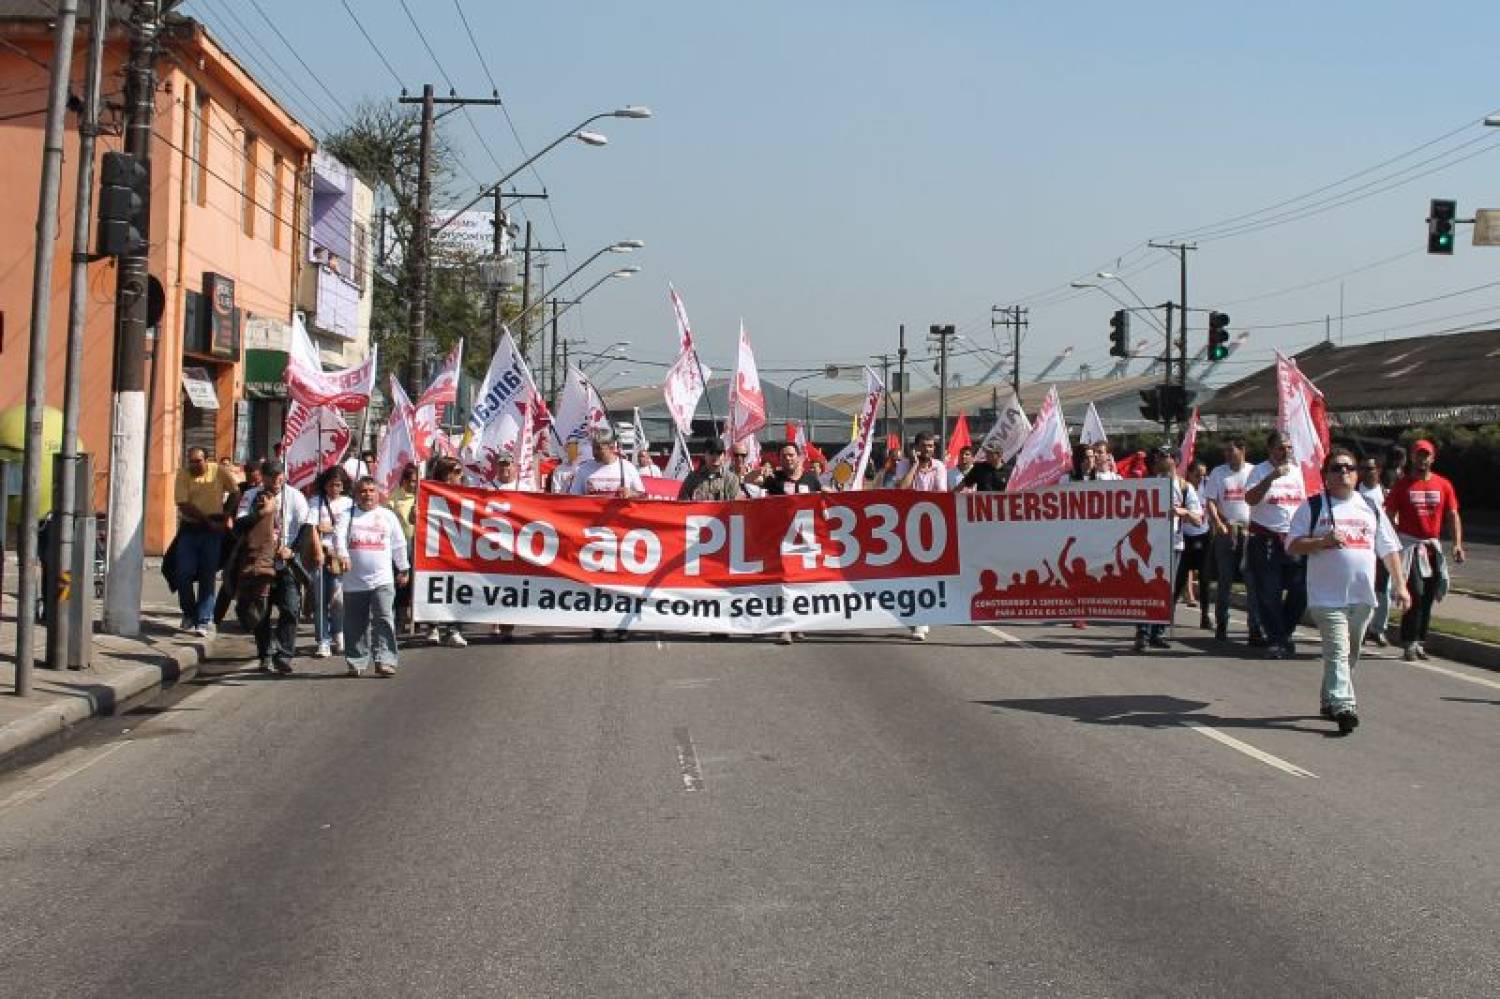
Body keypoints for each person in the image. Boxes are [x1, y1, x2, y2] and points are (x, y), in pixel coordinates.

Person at [1286, 449, 1410, 734]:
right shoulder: (1313, 506)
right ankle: (1345, 705)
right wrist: (1321, 542)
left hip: (1362, 596)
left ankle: (1329, 699)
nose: (1343, 473)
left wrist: (1400, 585)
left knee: (1349, 652)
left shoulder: (1370, 506)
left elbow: (1389, 549)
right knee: (1338, 649)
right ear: (1326, 475)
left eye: (1349, 468)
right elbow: (1291, 545)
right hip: (1326, 597)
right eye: (1336, 468)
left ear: (1357, 474)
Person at [1384, 438, 1465, 662]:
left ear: (1432, 458)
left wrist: (1457, 544)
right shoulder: (1403, 485)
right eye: (1419, 455)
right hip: (1410, 546)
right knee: (1415, 594)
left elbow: (1452, 515)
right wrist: (1393, 538)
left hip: (1431, 547)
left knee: (1429, 595)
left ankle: (1420, 641)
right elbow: (1389, 513)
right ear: (1412, 457)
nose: (1422, 459)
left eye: (1426, 455)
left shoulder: (1443, 484)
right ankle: (1408, 642)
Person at [237, 460, 310, 674]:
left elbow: (306, 527)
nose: (277, 482)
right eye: (273, 478)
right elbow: (240, 524)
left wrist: (292, 550)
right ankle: (265, 654)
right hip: (261, 562)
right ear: (264, 477)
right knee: (261, 611)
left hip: (285, 562)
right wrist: (262, 512)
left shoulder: (295, 497)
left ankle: (284, 654)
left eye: (281, 478)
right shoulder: (251, 496)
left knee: (290, 607)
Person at [1244, 431, 1308, 659]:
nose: (1286, 452)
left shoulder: (1298, 473)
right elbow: (1250, 499)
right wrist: (1270, 478)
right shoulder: (1258, 471)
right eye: (1281, 448)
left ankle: (1284, 633)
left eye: (1289, 448)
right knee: (1269, 592)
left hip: (1293, 540)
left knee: (1301, 591)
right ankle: (1276, 640)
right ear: (1270, 449)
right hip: (1266, 540)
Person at [1135, 448, 1203, 652]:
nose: (1159, 459)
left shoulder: (1184, 487)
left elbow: (1198, 519)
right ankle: (1143, 633)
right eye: (1158, 456)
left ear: (1174, 460)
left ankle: (1158, 632)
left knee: (1167, 590)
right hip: (1150, 545)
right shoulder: (1146, 484)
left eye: (1164, 456)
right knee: (1147, 588)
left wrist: (1183, 512)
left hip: (1173, 544)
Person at [342, 476, 410, 677]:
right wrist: (343, 555)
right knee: (355, 622)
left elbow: (399, 544)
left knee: (384, 619)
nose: (367, 495)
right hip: (354, 581)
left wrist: (403, 569)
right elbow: (338, 538)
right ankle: (356, 660)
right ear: (356, 494)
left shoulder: (387, 516)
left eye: (371, 490)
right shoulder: (348, 516)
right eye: (363, 491)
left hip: (382, 579)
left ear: (378, 494)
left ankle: (385, 660)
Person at [172, 446, 239, 636]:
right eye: (191, 461)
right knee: (183, 573)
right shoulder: (183, 475)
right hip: (190, 529)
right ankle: (189, 613)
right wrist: (207, 521)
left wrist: (225, 515)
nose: (194, 465)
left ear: (206, 460)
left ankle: (203, 619)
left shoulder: (218, 471)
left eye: (198, 461)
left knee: (207, 574)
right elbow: (184, 505)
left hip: (213, 531)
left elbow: (235, 492)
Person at [1201, 438, 1262, 645]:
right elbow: (1210, 500)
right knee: (1225, 581)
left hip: (1249, 531)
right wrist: (1218, 522)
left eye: (1230, 450)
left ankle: (1255, 629)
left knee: (1252, 582)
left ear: (1242, 450)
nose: (1226, 454)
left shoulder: (1255, 471)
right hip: (1226, 531)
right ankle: (1221, 626)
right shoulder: (1218, 473)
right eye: (1224, 451)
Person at [764, 441, 823, 645]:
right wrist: (757, 474)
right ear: (779, 460)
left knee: (803, 585)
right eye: (784, 456)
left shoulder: (811, 480)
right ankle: (785, 628)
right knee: (784, 585)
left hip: (806, 542)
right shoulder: (773, 481)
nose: (787, 458)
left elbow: (823, 502)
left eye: (791, 455)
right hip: (782, 542)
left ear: (799, 457)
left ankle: (798, 624)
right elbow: (749, 485)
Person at [899, 432, 949, 640]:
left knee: (927, 573)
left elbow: (941, 493)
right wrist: (914, 465)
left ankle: (922, 616)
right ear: (916, 447)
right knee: (909, 574)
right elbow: (902, 488)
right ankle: (915, 616)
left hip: (930, 524)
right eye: (924, 446)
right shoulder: (905, 463)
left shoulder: (939, 466)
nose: (928, 449)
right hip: (906, 524)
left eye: (931, 446)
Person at [308, 466, 353, 659]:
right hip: (321, 553)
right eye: (331, 484)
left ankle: (338, 633)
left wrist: (331, 528)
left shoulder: (350, 503)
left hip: (339, 555)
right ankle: (322, 640)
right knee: (320, 600)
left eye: (339, 484)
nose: (335, 488)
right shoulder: (315, 502)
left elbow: (349, 529)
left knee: (338, 600)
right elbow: (311, 528)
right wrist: (318, 548)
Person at [424, 456, 469, 647]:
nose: (461, 476)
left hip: (458, 546)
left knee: (458, 587)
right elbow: (413, 519)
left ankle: (454, 629)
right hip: (434, 546)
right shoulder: (429, 492)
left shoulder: (466, 493)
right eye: (457, 472)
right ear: (446, 475)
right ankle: (433, 626)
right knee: (435, 586)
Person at [1357, 456, 1393, 647]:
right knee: (1363, 589)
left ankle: (1378, 629)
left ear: (1378, 470)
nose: (1365, 472)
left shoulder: (1387, 494)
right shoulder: (1354, 493)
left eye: (1370, 468)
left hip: (1382, 548)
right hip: (1362, 547)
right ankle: (1361, 628)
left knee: (1383, 591)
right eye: (1362, 468)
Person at [386, 463, 420, 634]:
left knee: (418, 584)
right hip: (402, 546)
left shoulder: (423, 497)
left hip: (420, 545)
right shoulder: (394, 499)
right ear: (405, 481)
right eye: (413, 481)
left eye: (418, 481)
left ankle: (418, 619)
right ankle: (399, 622)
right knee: (402, 584)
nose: (416, 484)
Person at [569, 428, 645, 498]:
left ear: (611, 448)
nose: (594, 452)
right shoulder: (583, 468)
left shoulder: (627, 467)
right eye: (593, 448)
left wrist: (631, 493)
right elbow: (573, 499)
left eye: (599, 448)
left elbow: (642, 495)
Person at [1176, 460, 1211, 610]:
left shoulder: (1207, 488)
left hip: (1204, 535)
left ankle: (1205, 615)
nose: (1201, 479)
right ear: (1189, 474)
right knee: (1180, 576)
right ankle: (1168, 614)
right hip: (1185, 536)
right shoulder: (1184, 489)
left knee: (1204, 578)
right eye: (1198, 475)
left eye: (1204, 476)